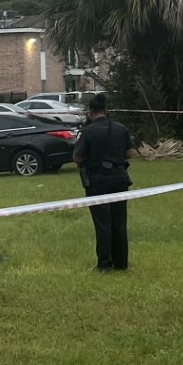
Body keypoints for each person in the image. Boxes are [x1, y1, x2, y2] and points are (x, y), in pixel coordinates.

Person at [73, 93, 133, 271]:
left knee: (103, 223)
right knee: (119, 222)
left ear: (91, 113)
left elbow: (77, 157)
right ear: (105, 111)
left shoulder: (88, 131)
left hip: (98, 180)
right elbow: (130, 154)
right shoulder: (120, 128)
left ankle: (104, 264)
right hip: (120, 178)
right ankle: (121, 263)